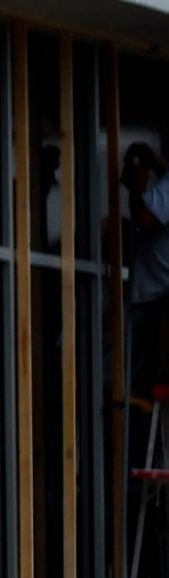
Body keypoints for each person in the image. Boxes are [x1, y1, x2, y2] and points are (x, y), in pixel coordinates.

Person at [122, 141, 169, 403]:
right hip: (159, 293)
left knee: (139, 386)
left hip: (156, 296)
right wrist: (154, 163)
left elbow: (145, 217)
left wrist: (136, 184)